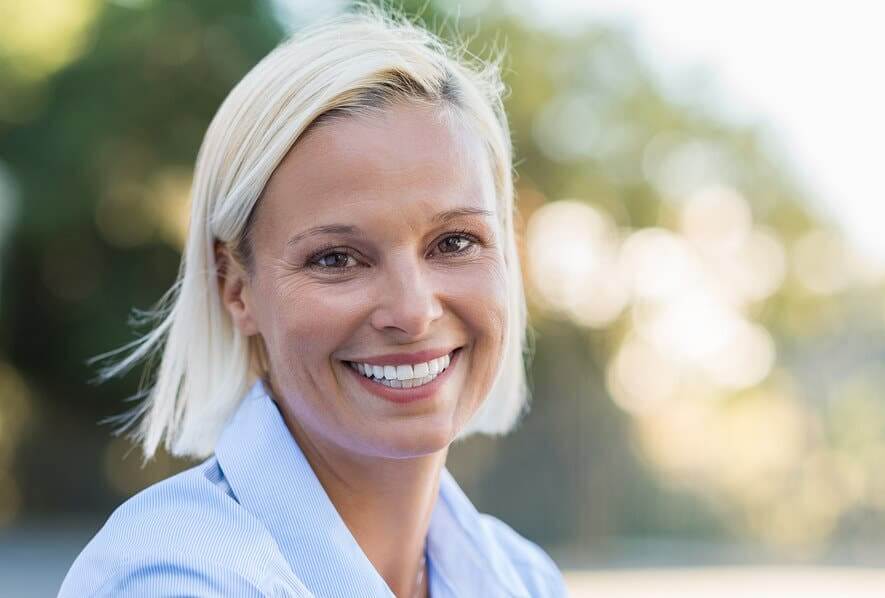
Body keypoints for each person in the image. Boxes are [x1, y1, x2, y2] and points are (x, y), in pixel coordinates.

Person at [58, 6, 566, 597]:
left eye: (455, 242)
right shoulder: (175, 578)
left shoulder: (527, 578)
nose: (413, 310)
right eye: (336, 259)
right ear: (235, 288)